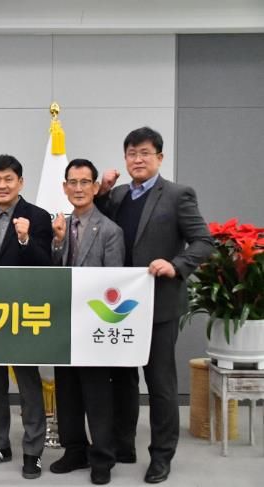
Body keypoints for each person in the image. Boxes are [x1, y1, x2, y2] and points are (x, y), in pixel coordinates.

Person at [96, 127, 214, 484]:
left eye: (145, 153)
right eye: (131, 153)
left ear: (159, 158)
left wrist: (176, 265)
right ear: (125, 158)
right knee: (123, 379)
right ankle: (124, 445)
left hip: (160, 304)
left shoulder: (178, 194)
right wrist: (102, 192)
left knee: (160, 383)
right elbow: (98, 225)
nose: (138, 159)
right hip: (122, 306)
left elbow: (203, 241)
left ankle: (162, 455)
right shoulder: (117, 195)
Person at [0, 154, 52, 480]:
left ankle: (33, 450)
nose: (2, 185)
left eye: (8, 179)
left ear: (21, 182)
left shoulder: (39, 217)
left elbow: (46, 264)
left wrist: (24, 239)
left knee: (28, 384)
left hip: (23, 314)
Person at [50, 159, 125, 485]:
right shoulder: (60, 226)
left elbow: (113, 282)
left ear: (95, 187)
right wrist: (57, 242)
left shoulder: (110, 230)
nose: (78, 188)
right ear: (64, 187)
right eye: (72, 182)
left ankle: (103, 457)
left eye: (85, 182)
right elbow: (51, 273)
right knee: (66, 390)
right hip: (63, 324)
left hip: (94, 324)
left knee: (96, 394)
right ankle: (74, 450)